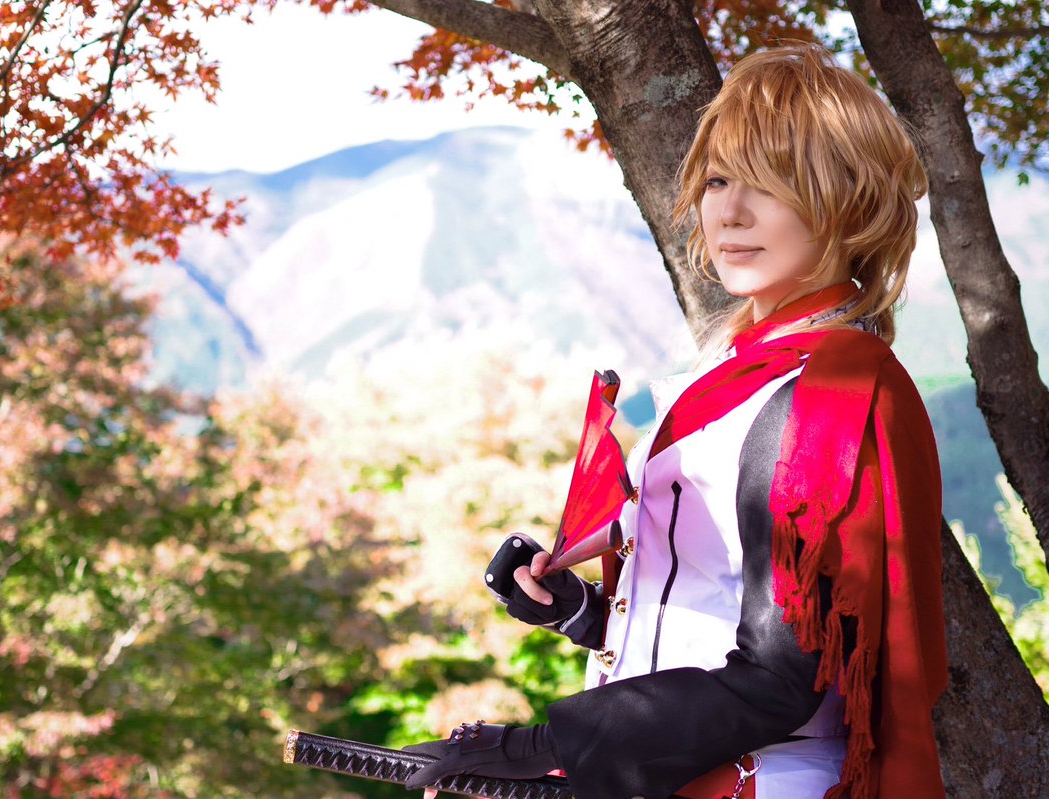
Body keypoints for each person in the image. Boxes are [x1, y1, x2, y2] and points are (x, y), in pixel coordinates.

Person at [403, 44, 948, 799]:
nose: (730, 211)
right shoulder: (739, 372)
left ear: (850, 201)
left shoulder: (827, 392)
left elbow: (783, 677)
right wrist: (581, 614)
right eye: (719, 180)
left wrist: (547, 744)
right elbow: (710, 618)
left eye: (770, 181)